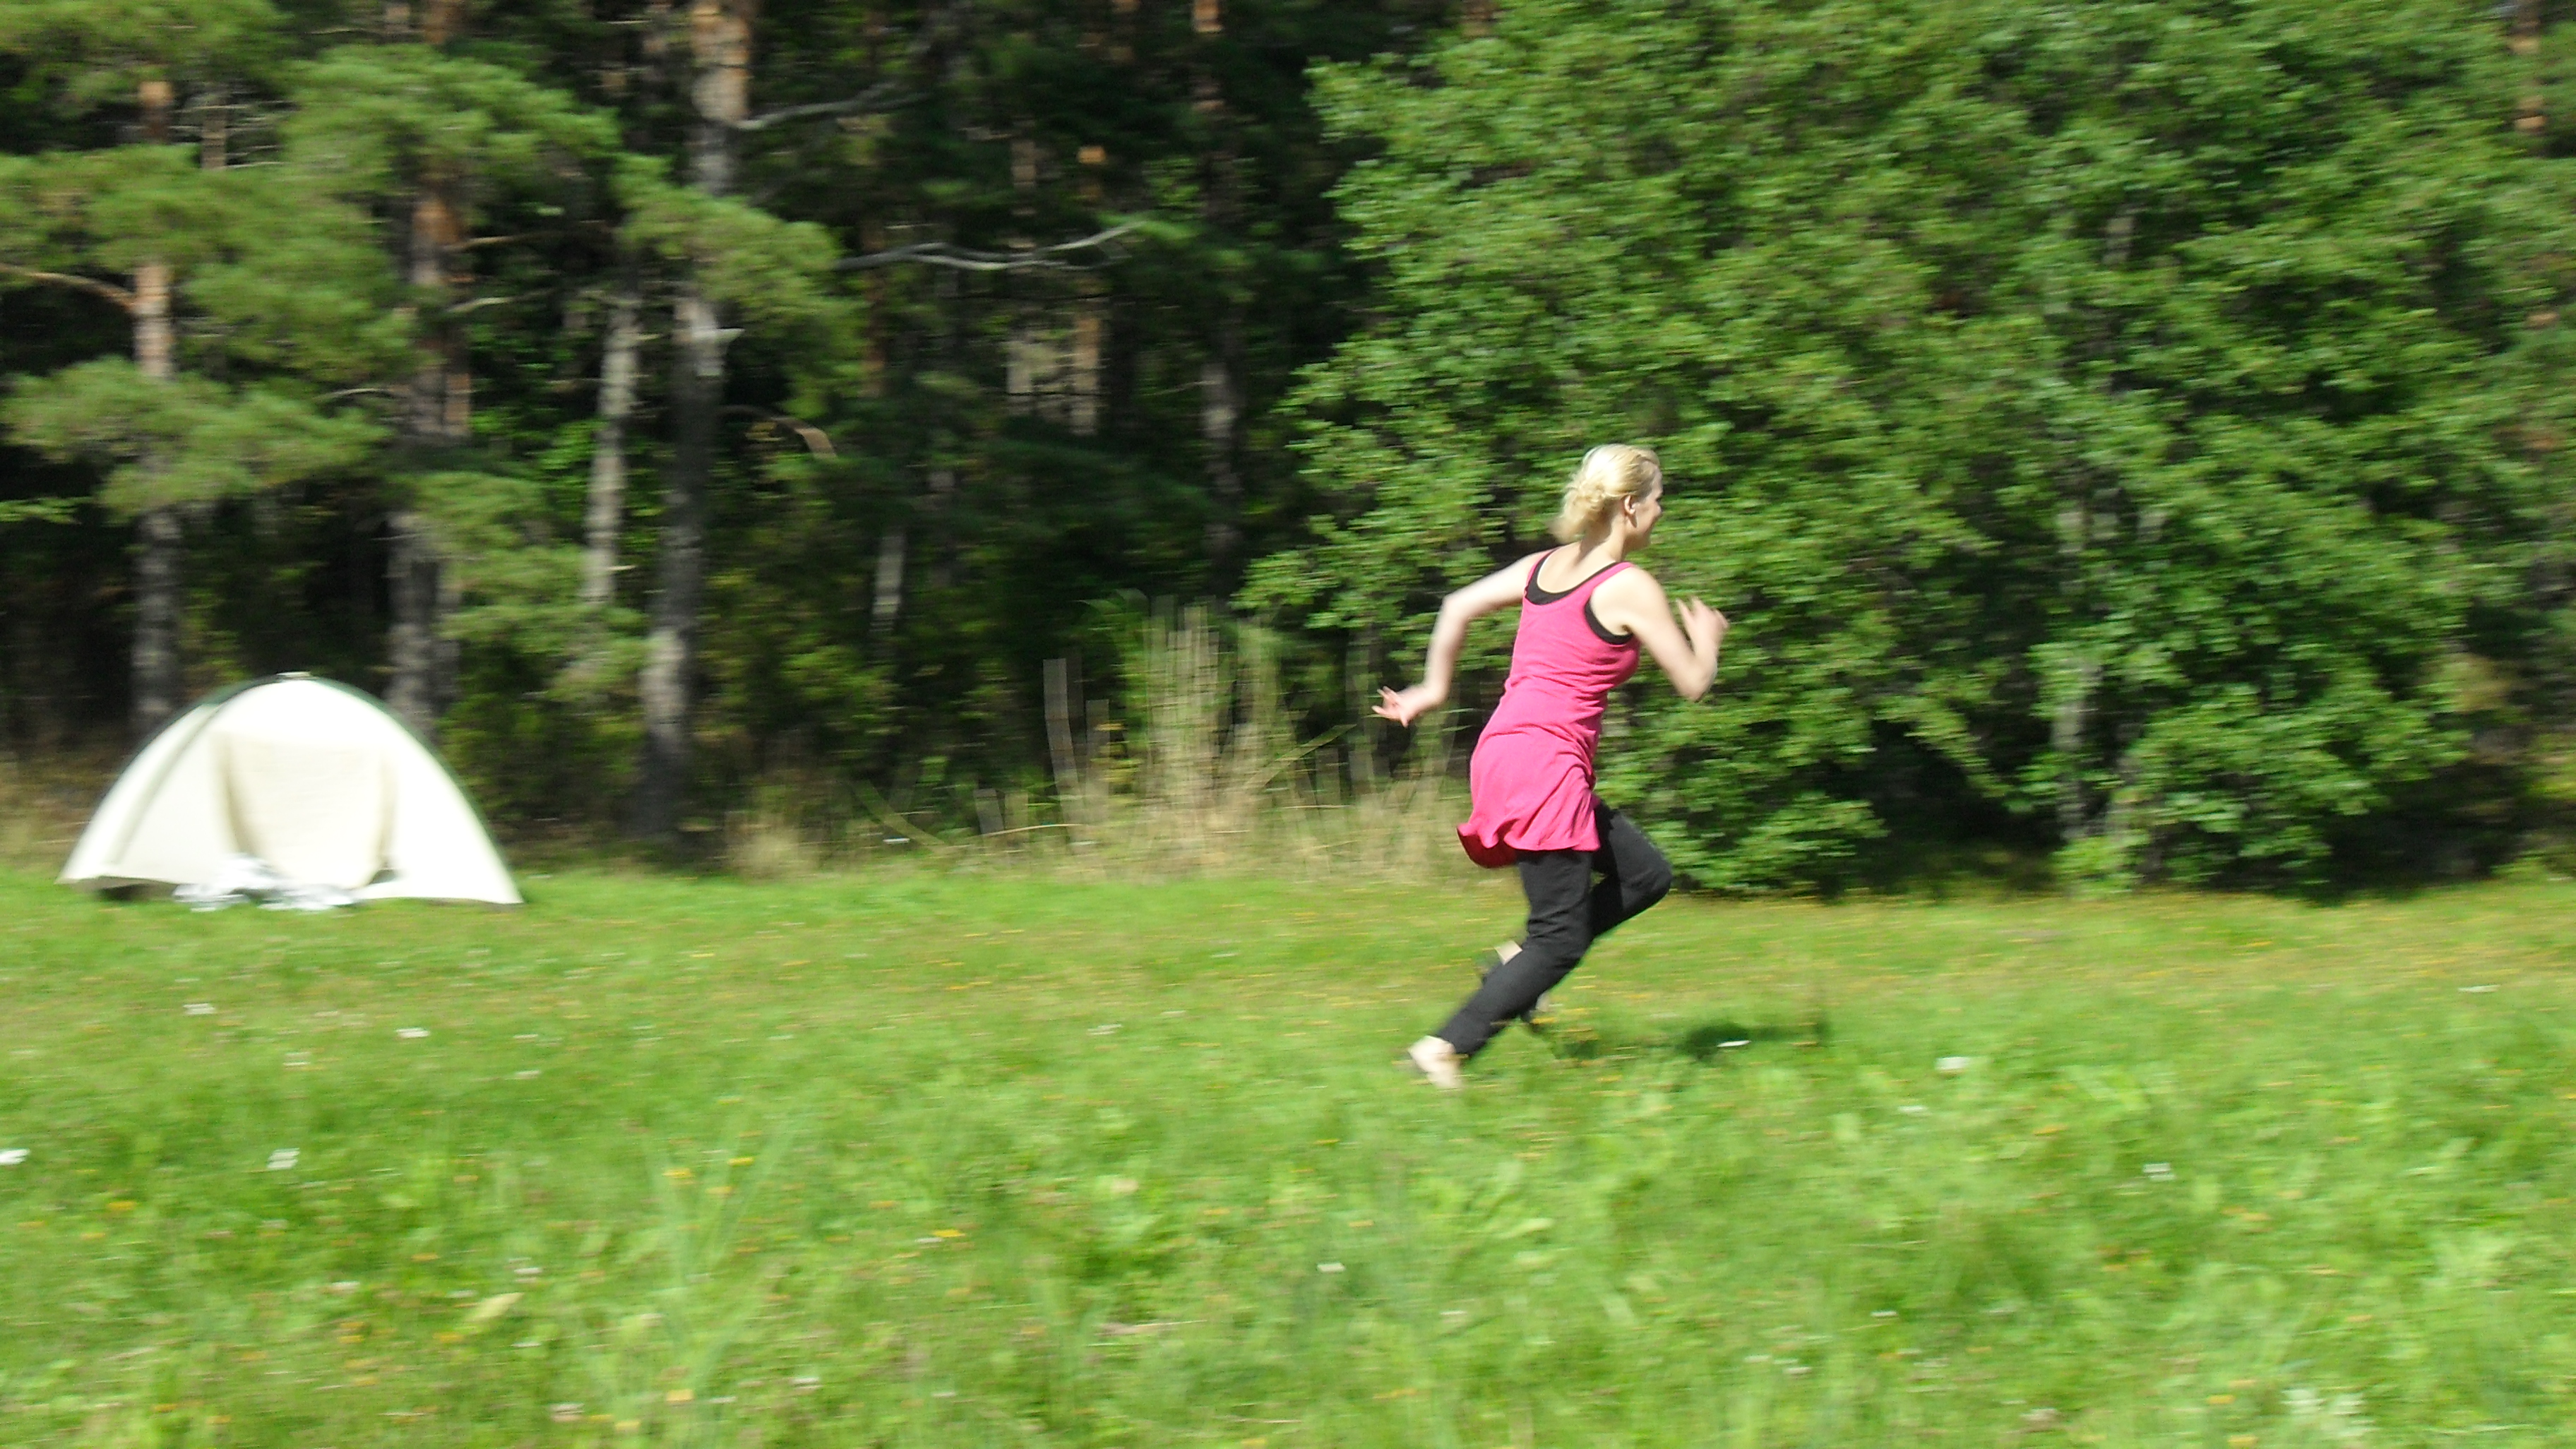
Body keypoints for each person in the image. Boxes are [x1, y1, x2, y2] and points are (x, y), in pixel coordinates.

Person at [1374, 445, 1727, 1088]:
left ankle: (1514, 964)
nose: (1660, 514)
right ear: (1630, 506)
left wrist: (1432, 689)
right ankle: (1444, 1047)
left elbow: (1456, 605)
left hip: (1506, 751)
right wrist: (1707, 640)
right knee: (1559, 940)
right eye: (1658, 503)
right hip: (1545, 763)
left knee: (1645, 874)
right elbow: (1693, 681)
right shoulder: (1628, 585)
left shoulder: (1544, 567)